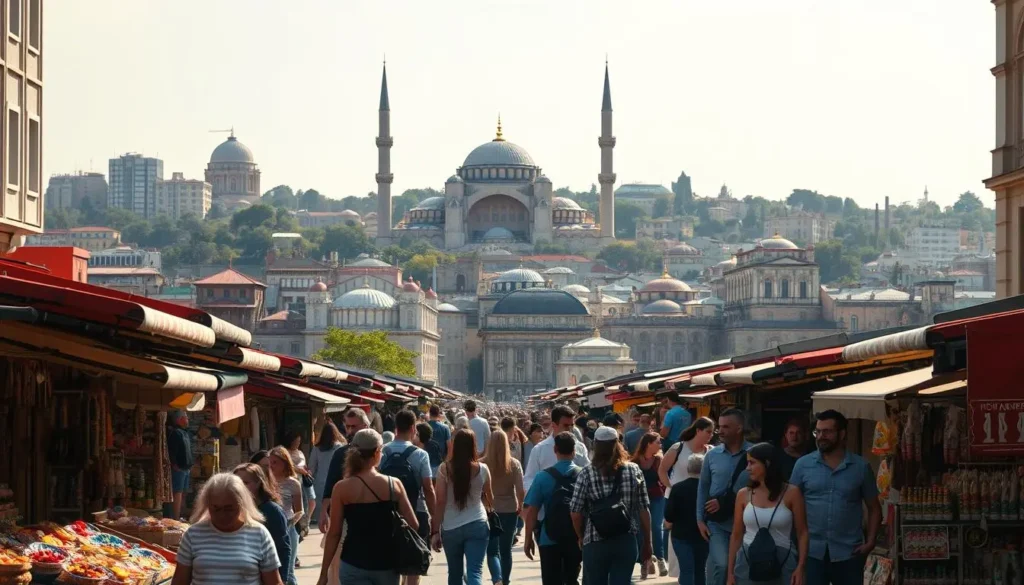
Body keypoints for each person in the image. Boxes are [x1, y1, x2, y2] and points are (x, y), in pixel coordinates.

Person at [316, 429, 419, 585]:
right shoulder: (393, 484)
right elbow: (414, 524)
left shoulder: (341, 488)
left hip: (353, 562)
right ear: (377, 452)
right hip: (386, 564)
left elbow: (334, 533)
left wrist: (324, 574)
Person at [789, 410, 880, 585]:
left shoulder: (860, 467)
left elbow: (874, 508)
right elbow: (790, 505)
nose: (821, 436)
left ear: (842, 434)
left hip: (849, 553)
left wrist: (870, 542)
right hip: (811, 552)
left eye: (827, 431)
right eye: (818, 432)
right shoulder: (803, 465)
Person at [569, 426, 653, 585]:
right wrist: (648, 542)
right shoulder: (634, 471)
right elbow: (644, 509)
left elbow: (575, 512)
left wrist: (580, 536)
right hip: (625, 539)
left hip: (595, 541)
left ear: (595, 445)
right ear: (618, 444)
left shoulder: (586, 473)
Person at [170, 473, 282, 585]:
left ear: (242, 504)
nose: (222, 515)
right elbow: (180, 581)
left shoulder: (259, 534)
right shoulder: (193, 534)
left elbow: (274, 582)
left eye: (229, 509)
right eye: (216, 508)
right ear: (207, 505)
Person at [726, 443, 808, 585]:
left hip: (783, 561)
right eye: (747, 463)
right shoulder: (743, 494)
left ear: (767, 463)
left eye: (752, 463)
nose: (747, 468)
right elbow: (736, 535)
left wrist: (801, 567)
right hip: (748, 560)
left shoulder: (792, 493)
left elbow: (802, 532)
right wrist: (730, 573)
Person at [380, 408, 436, 585]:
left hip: (387, 513)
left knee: (389, 562)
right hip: (416, 512)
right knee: (414, 564)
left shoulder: (382, 452)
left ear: (395, 428)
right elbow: (428, 488)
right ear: (413, 428)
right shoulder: (420, 454)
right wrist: (435, 518)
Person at [431, 429, 494, 585]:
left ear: (454, 445)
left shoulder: (444, 469)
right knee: (475, 571)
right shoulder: (483, 469)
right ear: (473, 445)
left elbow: (440, 501)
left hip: (451, 527)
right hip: (477, 523)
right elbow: (490, 499)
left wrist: (435, 531)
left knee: (455, 573)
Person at [697, 409, 753, 585]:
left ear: (739, 428)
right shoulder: (712, 455)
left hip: (746, 522)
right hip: (717, 522)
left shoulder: (754, 453)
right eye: (719, 427)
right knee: (722, 564)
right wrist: (699, 519)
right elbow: (703, 487)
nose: (720, 431)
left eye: (725, 427)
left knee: (739, 568)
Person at [523, 432, 583, 585]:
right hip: (576, 537)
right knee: (572, 578)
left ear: (555, 449)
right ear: (574, 451)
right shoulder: (583, 475)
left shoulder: (542, 477)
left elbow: (532, 510)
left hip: (549, 537)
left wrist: (528, 538)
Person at [660, 417, 716, 579]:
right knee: (680, 539)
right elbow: (662, 470)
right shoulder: (679, 448)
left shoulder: (711, 451)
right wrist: (673, 488)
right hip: (677, 499)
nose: (711, 435)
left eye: (713, 432)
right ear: (698, 430)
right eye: (708, 431)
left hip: (701, 499)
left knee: (698, 543)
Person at [234, 463, 293, 584]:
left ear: (258, 483)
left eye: (246, 483)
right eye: (237, 483)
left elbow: (282, 548)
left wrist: (282, 579)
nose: (241, 487)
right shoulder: (232, 509)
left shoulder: (272, 511)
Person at [483, 430, 525, 585]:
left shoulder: (482, 464)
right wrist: (520, 505)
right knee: (506, 550)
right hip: (509, 509)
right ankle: (505, 581)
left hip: (489, 510)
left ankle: (497, 579)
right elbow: (520, 490)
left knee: (492, 551)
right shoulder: (514, 464)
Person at [319, 407, 371, 530]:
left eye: (354, 426)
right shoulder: (340, 453)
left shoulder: (377, 452)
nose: (350, 430)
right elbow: (331, 484)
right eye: (348, 426)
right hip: (346, 516)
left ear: (365, 426)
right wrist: (324, 512)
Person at [523, 405, 590, 493]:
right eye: (566, 425)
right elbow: (529, 479)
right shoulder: (539, 450)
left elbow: (587, 473)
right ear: (554, 425)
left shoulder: (580, 447)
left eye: (572, 425)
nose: (570, 429)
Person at [664, 454, 708, 585]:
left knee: (686, 570)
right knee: (700, 570)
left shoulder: (677, 488)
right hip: (703, 536)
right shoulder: (708, 488)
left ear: (688, 468)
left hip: (681, 536)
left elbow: (669, 515)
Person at [632, 432, 668, 578]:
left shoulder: (659, 460)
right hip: (640, 499)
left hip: (657, 497)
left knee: (656, 527)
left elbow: (664, 478)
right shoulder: (635, 461)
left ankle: (660, 559)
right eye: (658, 442)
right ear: (649, 443)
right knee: (642, 530)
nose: (660, 445)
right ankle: (645, 562)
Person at [268, 446, 303, 585]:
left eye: (275, 462)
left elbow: (299, 510)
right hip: (269, 528)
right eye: (270, 462)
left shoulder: (293, 483)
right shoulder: (265, 482)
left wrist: (290, 524)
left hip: (288, 528)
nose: (272, 466)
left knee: (288, 572)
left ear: (285, 463)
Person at [308, 422, 345, 526]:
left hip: (319, 482)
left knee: (320, 513)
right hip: (335, 481)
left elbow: (311, 467)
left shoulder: (316, 448)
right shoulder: (340, 447)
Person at [285, 431, 316, 536]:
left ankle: (306, 522)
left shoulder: (300, 452)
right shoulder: (285, 452)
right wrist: (300, 470)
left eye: (299, 441)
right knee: (300, 504)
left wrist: (307, 470)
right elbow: (288, 465)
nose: (297, 443)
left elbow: (304, 465)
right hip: (293, 480)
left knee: (311, 501)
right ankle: (300, 526)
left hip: (303, 479)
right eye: (295, 441)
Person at [167, 410, 193, 521]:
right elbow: (171, 451)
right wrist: (174, 464)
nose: (187, 419)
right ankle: (175, 518)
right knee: (177, 493)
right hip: (179, 468)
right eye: (185, 417)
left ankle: (180, 516)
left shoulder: (185, 432)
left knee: (183, 493)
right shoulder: (175, 433)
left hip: (186, 468)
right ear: (179, 419)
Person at [428, 405, 454, 475]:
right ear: (438, 414)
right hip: (440, 463)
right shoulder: (445, 428)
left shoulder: (424, 426)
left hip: (426, 463)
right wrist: (446, 463)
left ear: (429, 413)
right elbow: (449, 447)